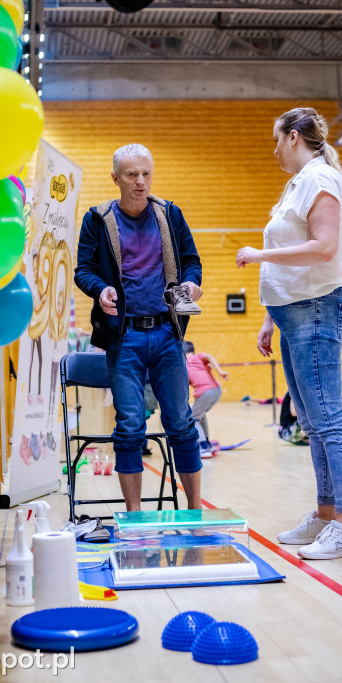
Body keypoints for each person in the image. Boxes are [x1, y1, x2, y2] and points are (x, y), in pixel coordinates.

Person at [236, 106, 342, 560]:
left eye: (277, 139)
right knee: (311, 423)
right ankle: (326, 514)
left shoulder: (320, 178)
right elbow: (292, 262)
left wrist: (258, 256)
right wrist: (270, 317)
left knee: (328, 419)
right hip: (294, 312)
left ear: (294, 137)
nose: (274, 150)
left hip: (319, 307)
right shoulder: (299, 183)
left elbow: (324, 247)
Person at [74, 143, 203, 512]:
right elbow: (83, 270)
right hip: (124, 336)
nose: (141, 181)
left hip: (167, 334)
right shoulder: (98, 219)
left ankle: (194, 510)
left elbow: (192, 261)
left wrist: (191, 282)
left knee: (181, 422)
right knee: (130, 425)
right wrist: (100, 289)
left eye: (146, 173)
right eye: (132, 175)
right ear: (116, 178)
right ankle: (135, 515)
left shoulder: (170, 214)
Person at [183, 340, 229, 458]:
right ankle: (207, 443)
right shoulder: (197, 359)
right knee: (200, 415)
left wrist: (220, 371)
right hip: (216, 390)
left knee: (193, 419)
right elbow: (208, 357)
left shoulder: (186, 362)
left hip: (205, 392)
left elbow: (208, 356)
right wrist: (218, 371)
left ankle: (203, 447)